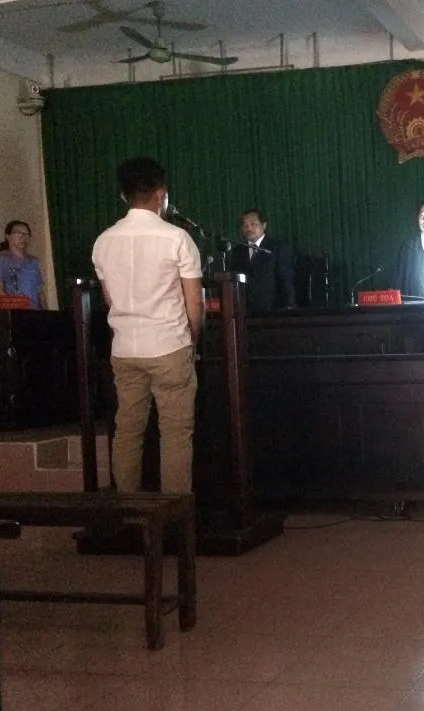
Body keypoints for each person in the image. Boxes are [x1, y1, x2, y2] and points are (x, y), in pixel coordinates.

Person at [92, 156, 203, 494]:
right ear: (160, 194)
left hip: (125, 348)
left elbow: (109, 299)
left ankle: (129, 512)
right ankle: (174, 515)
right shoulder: (177, 238)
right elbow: (194, 303)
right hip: (169, 345)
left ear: (123, 196)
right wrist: (192, 340)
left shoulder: (103, 241)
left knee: (127, 432)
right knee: (175, 433)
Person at [228, 208, 296, 314]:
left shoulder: (277, 248)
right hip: (245, 312)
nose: (249, 228)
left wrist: (290, 306)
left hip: (273, 310)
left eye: (253, 224)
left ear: (263, 225)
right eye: (245, 225)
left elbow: (286, 279)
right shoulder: (237, 251)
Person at [0, 220, 47, 309]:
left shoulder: (33, 261)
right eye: (19, 233)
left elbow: (40, 292)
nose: (23, 237)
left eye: (26, 234)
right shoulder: (0, 259)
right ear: (8, 236)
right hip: (15, 313)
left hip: (36, 313)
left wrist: (46, 311)